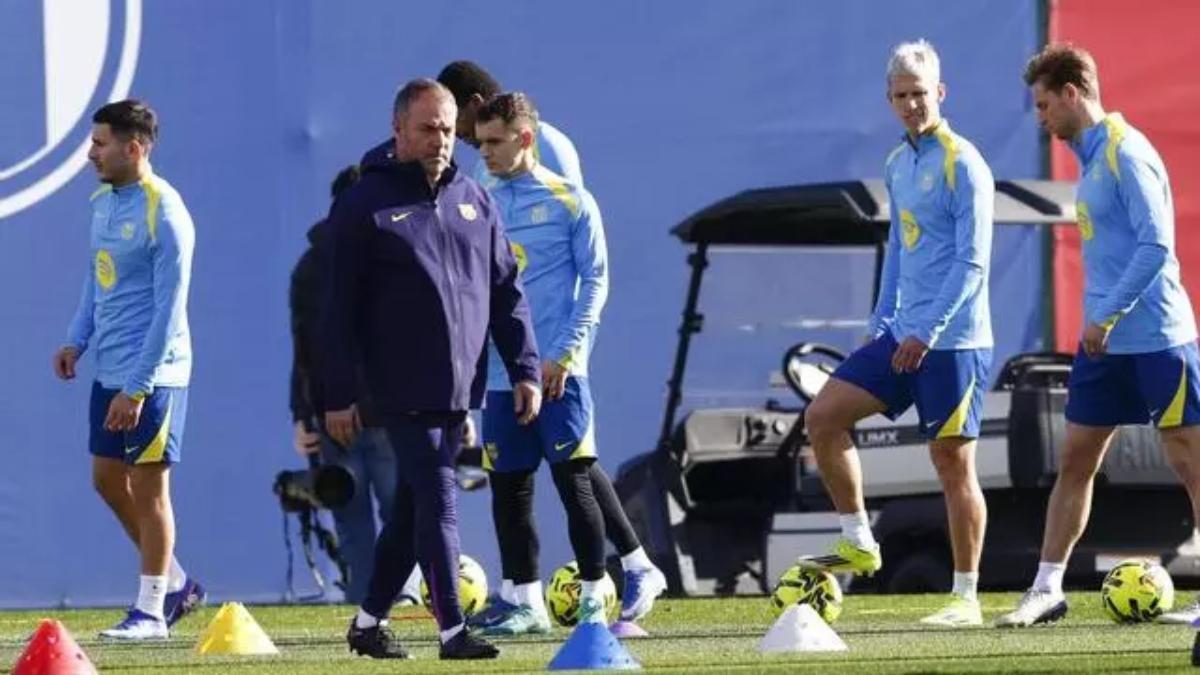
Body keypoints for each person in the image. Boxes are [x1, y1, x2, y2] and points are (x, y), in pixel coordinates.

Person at [325, 78, 541, 660]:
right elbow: (336, 307)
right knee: (440, 497)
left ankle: (368, 623)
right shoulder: (365, 203)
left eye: (447, 129)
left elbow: (505, 290)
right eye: (426, 129)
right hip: (397, 384)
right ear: (398, 130)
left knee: (412, 509)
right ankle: (452, 630)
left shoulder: (474, 196)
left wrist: (524, 366)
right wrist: (336, 393)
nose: (439, 140)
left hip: (456, 384)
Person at [997, 43, 1200, 627]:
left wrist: (1106, 313)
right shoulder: (1089, 159)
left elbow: (1156, 245)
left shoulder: (1126, 152)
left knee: (1190, 464)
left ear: (1071, 93)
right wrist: (1103, 322)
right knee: (1076, 460)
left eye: (1043, 105)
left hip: (1159, 337)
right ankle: (1046, 589)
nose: (1039, 117)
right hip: (1106, 347)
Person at [795, 40, 995, 627]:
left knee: (951, 465)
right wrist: (878, 325)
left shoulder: (965, 163)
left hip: (954, 341)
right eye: (901, 96)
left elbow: (972, 263)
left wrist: (928, 331)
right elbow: (899, 252)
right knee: (823, 416)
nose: (912, 105)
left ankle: (966, 597)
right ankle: (858, 538)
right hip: (901, 335)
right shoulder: (896, 163)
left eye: (920, 93)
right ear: (889, 99)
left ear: (941, 92)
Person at [465, 92, 661, 636]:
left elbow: (596, 283)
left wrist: (566, 354)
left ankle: (596, 600)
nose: (485, 155)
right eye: (480, 144)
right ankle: (524, 602)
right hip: (503, 375)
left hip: (559, 372)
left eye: (495, 143)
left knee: (574, 481)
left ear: (525, 138)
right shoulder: (478, 196)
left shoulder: (572, 200)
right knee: (508, 487)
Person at [54, 99, 205, 639]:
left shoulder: (165, 212)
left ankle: (150, 612)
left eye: (99, 143)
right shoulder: (102, 203)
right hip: (110, 371)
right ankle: (177, 582)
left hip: (155, 376)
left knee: (149, 489)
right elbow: (99, 280)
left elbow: (170, 310)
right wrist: (77, 339)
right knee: (105, 479)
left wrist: (139, 386)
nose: (91, 153)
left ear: (133, 148)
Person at [288, 164, 421, 606]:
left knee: (355, 515)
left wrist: (305, 413)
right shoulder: (389, 256)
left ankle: (367, 598)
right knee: (398, 506)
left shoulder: (310, 265)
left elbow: (304, 349)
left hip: (333, 410)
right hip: (380, 410)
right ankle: (398, 595)